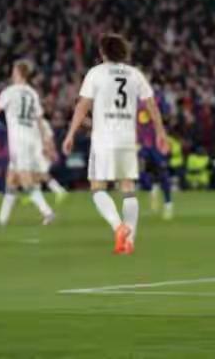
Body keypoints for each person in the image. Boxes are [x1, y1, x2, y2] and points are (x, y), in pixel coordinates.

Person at [62, 34, 168, 254]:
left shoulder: (96, 73)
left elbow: (82, 106)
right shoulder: (134, 74)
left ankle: (118, 227)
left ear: (103, 52)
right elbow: (151, 105)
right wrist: (160, 132)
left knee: (97, 187)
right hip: (127, 138)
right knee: (128, 188)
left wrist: (70, 133)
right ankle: (130, 241)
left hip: (103, 138)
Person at [0, 59, 56, 226]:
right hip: (31, 138)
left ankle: (47, 212)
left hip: (18, 140)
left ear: (19, 73)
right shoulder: (32, 93)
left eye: (14, 70)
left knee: (25, 179)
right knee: (11, 180)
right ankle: (2, 219)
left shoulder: (10, 92)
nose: (12, 73)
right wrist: (44, 141)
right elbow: (39, 120)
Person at [137, 97, 173, 220]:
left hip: (157, 144)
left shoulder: (157, 99)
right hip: (143, 145)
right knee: (143, 174)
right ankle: (153, 195)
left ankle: (168, 205)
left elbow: (167, 117)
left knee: (163, 174)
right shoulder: (135, 100)